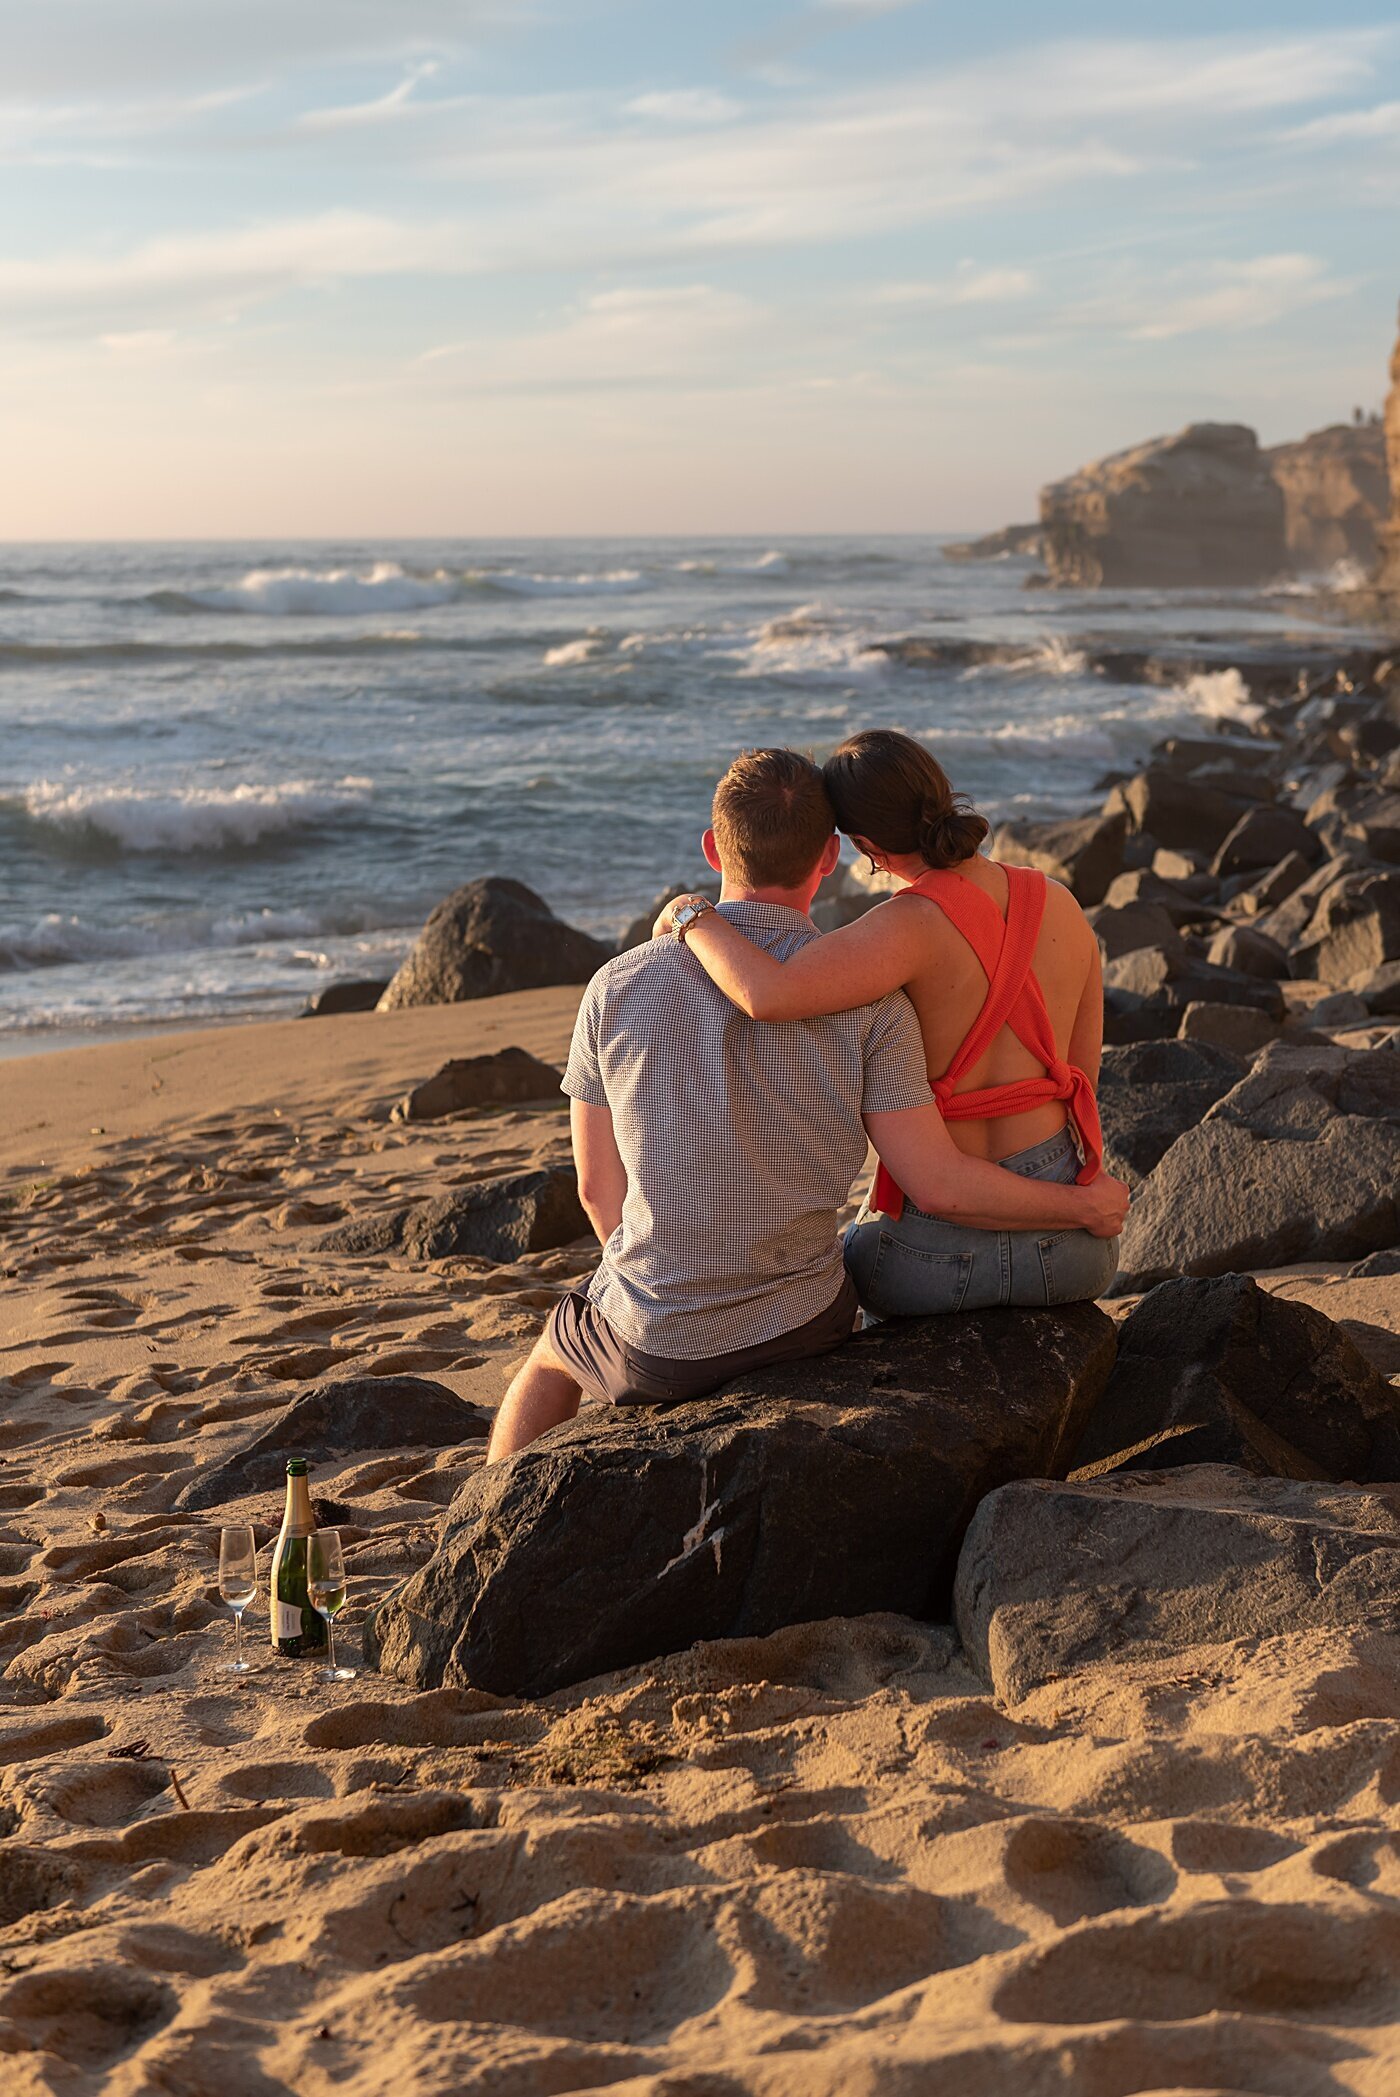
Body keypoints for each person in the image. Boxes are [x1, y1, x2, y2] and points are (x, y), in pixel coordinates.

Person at [486, 748, 1127, 1462]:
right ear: (829, 858)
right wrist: (1082, 1204)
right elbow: (1068, 1090)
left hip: (669, 1335)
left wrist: (689, 911)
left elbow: (597, 1189)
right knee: (846, 1240)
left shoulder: (618, 986)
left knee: (551, 1356)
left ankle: (482, 1522)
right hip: (862, 1308)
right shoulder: (909, 986)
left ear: (712, 846)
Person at [656, 728, 1120, 1321]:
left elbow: (766, 992)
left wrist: (690, 914)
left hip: (931, 1258)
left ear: (863, 845)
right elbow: (1081, 1071)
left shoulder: (899, 930)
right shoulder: (1059, 902)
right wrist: (1079, 1207)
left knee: (853, 1260)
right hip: (1074, 1247)